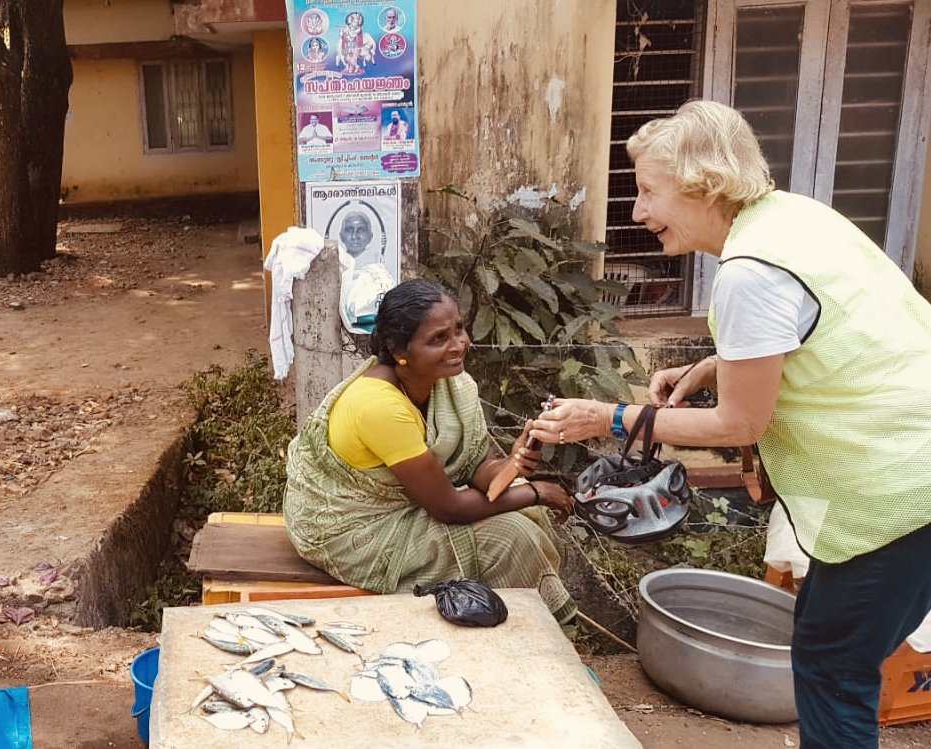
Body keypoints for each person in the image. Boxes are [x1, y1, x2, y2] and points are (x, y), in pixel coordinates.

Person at [530, 100, 931, 748]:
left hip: (896, 492)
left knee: (832, 669)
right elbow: (816, 330)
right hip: (911, 465)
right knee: (830, 651)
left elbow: (740, 423)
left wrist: (609, 416)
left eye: (649, 192)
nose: (637, 213)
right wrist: (716, 365)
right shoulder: (791, 219)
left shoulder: (748, 273)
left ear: (701, 184)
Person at [284, 279, 577, 624]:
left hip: (413, 504)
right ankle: (537, 635)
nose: (459, 345)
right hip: (350, 529)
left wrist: (511, 465)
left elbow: (474, 467)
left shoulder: (449, 384)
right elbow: (449, 507)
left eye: (459, 329)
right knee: (512, 537)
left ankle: (513, 627)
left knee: (523, 513)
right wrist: (537, 492)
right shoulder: (378, 405)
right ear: (399, 351)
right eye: (439, 339)